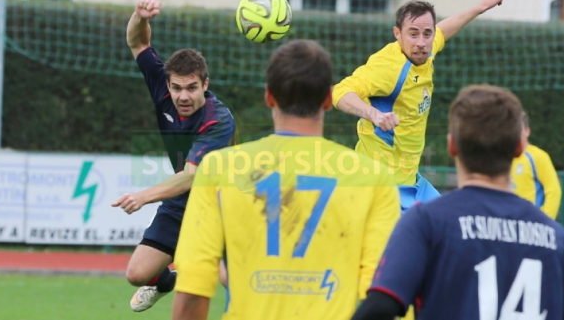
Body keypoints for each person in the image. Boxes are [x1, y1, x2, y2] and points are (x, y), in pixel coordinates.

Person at [171, 40, 401, 320]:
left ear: (269, 97)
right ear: (328, 99)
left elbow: (193, 290)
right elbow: (383, 293)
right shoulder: (374, 178)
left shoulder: (218, 169)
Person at [352, 84, 564, 320]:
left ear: (451, 146)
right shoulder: (556, 238)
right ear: (519, 148)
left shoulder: (426, 222)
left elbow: (381, 306)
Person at [111, 0, 236, 312]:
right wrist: (140, 17)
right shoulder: (163, 89)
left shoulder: (218, 119)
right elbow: (138, 44)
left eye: (191, 87)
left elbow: (192, 176)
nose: (183, 95)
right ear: (167, 84)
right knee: (137, 274)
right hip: (181, 202)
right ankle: (170, 280)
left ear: (204, 84)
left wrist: (143, 197)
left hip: (220, 202)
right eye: (176, 87)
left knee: (228, 278)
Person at [331, 0, 506, 212]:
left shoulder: (426, 49)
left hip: (411, 181)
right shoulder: (387, 68)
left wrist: (481, 7)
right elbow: (340, 91)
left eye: (427, 33)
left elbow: (445, 29)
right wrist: (374, 114)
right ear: (398, 34)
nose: (421, 42)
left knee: (451, 227)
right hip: (380, 184)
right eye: (413, 34)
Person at [511, 111, 562, 219]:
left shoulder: (538, 157)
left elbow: (554, 190)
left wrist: (545, 220)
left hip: (531, 224)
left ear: (527, 132)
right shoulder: (504, 158)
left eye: (518, 130)